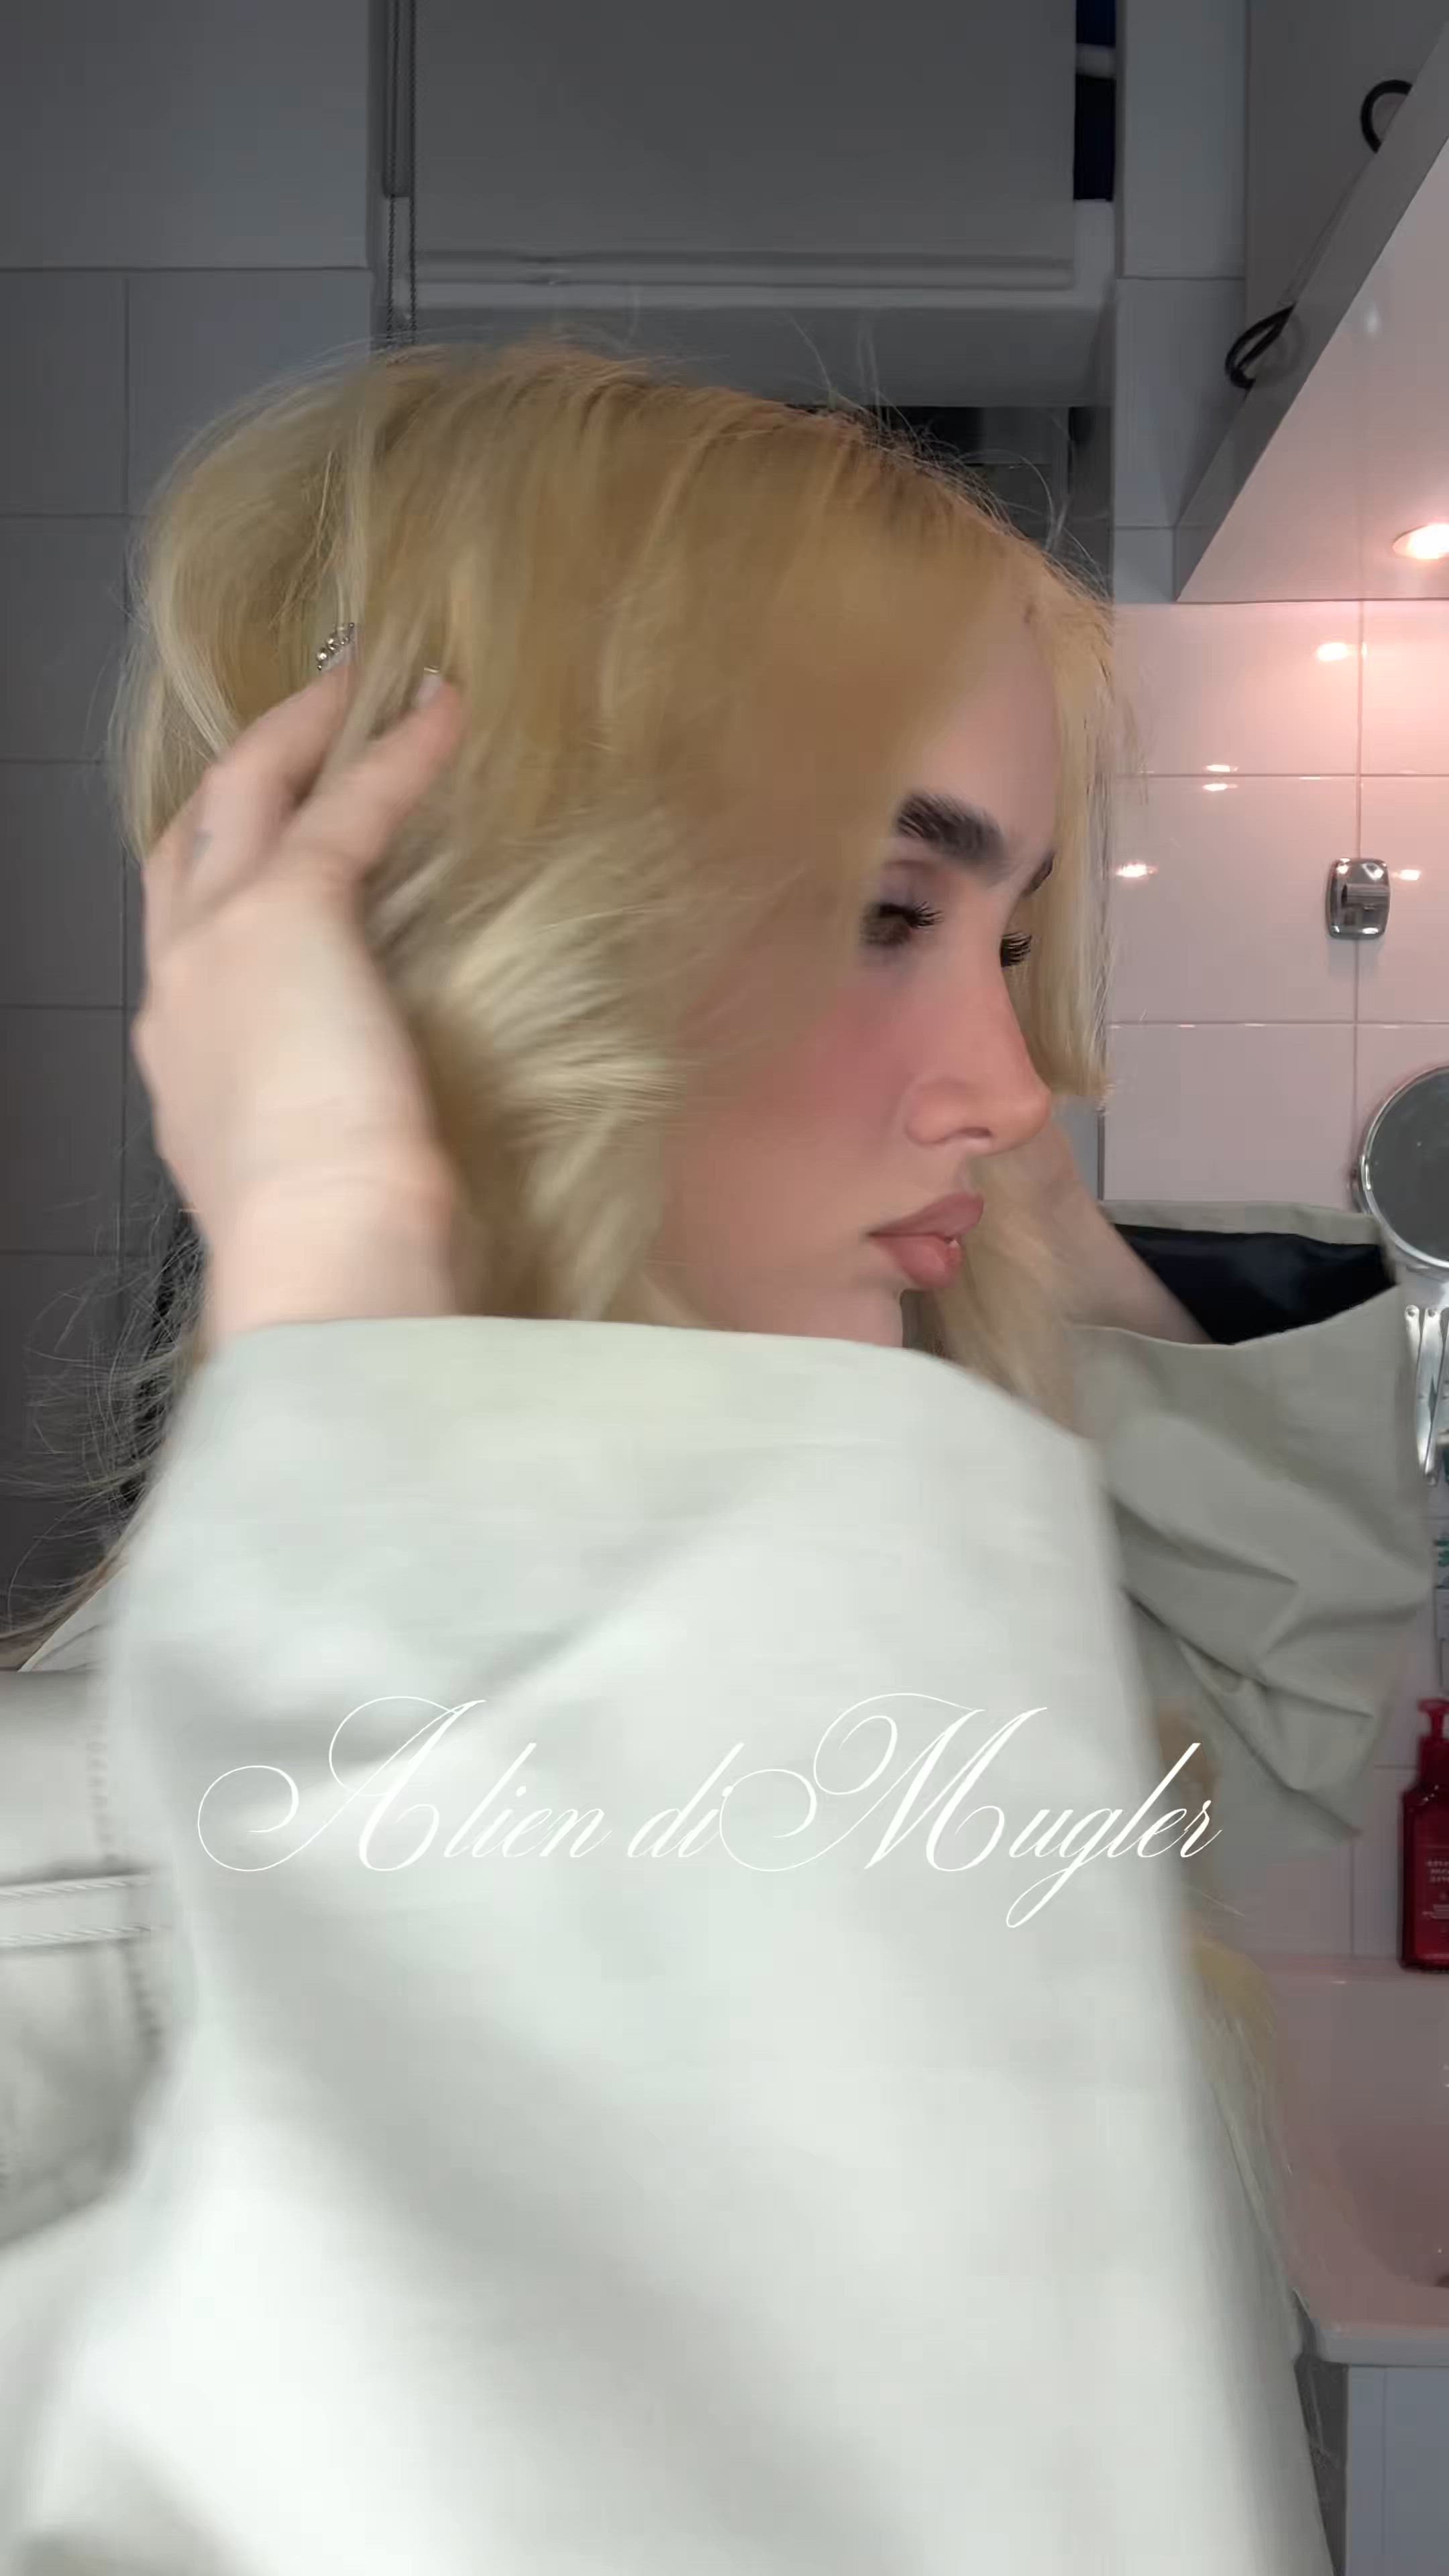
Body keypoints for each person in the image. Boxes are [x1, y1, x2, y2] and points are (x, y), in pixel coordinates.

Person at [0, 342, 1429, 2571]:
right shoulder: (76, 1883)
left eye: (1016, 938)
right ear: (476, 941)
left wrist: (1013, 1200)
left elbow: (1272, 1715)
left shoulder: (886, 1654)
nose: (1020, 1081)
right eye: (881, 911)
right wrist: (351, 1247)